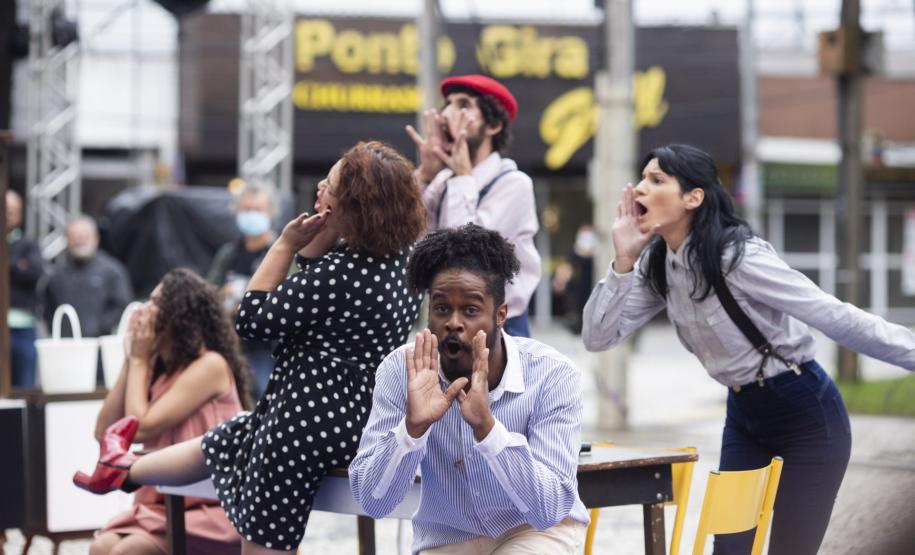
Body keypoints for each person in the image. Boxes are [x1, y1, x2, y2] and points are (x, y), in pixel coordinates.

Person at [74, 141, 427, 555]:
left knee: (263, 546)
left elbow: (252, 319)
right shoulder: (402, 262)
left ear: (354, 205)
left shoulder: (340, 271)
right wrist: (326, 232)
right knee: (223, 438)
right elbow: (316, 292)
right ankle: (124, 467)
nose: (318, 189)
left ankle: (122, 466)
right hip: (355, 415)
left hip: (301, 425)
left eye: (329, 186)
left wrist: (284, 245)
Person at [581, 144, 915, 555]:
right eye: (642, 178)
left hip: (806, 413)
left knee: (790, 549)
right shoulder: (657, 265)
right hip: (743, 417)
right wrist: (622, 261)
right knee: (731, 549)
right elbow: (597, 337)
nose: (639, 191)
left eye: (656, 180)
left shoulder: (737, 257)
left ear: (693, 197)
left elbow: (832, 315)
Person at [350, 223, 589, 555]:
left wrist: (488, 429)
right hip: (447, 536)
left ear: (501, 315)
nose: (454, 323)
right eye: (442, 308)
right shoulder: (400, 369)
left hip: (535, 531)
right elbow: (373, 500)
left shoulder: (551, 374)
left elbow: (549, 509)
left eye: (471, 310)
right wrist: (413, 429)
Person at [87, 268, 250, 555]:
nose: (144, 310)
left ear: (178, 316)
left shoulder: (210, 365)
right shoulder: (156, 372)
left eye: (156, 303)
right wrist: (132, 359)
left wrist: (138, 360)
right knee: (102, 547)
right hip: (161, 504)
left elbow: (143, 426)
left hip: (211, 506)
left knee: (129, 552)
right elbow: (104, 432)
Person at [406, 74, 540, 337]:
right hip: (448, 323)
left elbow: (468, 253)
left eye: (463, 105)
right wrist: (424, 175)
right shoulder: (445, 179)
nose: (447, 114)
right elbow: (410, 239)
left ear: (492, 125)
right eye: (448, 104)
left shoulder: (514, 184)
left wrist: (463, 177)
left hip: (502, 329)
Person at [207, 184, 278, 399]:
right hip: (233, 343)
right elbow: (209, 293)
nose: (251, 215)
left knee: (264, 397)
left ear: (270, 213)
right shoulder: (229, 253)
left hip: (266, 347)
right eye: (247, 209)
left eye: (257, 210)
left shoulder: (279, 253)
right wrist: (223, 294)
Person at [43, 216, 134, 338]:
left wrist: (99, 327)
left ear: (96, 238)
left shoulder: (112, 271)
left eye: (83, 236)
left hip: (100, 345)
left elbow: (122, 306)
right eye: (74, 236)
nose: (79, 240)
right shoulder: (57, 274)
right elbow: (48, 307)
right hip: (66, 345)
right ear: (67, 240)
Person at [6, 190, 45, 388]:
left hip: (22, 325)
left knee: (24, 387)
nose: (9, 214)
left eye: (14, 210)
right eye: (6, 209)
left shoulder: (28, 244)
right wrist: (16, 264)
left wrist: (10, 264)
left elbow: (34, 273)